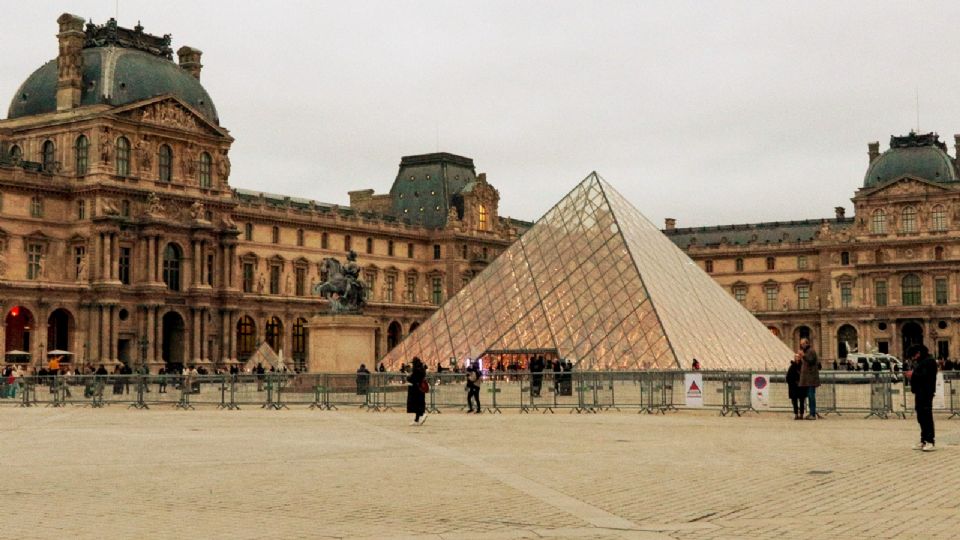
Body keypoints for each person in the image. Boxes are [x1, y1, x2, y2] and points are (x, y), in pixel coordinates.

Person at [908, 344, 938, 451]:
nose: (913, 358)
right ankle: (923, 440)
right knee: (921, 416)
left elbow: (926, 377)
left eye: (913, 355)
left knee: (926, 416)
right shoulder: (922, 361)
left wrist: (913, 375)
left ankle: (930, 441)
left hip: (926, 392)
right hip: (919, 392)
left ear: (919, 353)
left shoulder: (929, 361)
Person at [797, 338, 820, 419]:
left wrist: (803, 355)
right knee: (810, 396)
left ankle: (813, 414)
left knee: (811, 396)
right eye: (801, 344)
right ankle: (811, 413)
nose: (801, 345)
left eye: (803, 344)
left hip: (811, 378)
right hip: (808, 378)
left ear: (807, 343)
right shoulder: (808, 351)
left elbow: (811, 361)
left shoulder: (810, 351)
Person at [406, 357, 427, 425]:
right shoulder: (422, 368)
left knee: (415, 404)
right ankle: (417, 419)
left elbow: (412, 378)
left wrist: (408, 377)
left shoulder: (416, 369)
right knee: (419, 404)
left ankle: (420, 417)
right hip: (421, 388)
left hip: (416, 389)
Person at [786, 354, 805, 420]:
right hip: (794, 387)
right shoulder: (792, 367)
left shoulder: (803, 366)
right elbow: (788, 377)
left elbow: (804, 375)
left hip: (801, 386)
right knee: (794, 402)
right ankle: (796, 414)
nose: (797, 358)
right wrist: (792, 383)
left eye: (798, 357)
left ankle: (801, 414)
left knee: (802, 401)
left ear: (800, 358)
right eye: (795, 357)